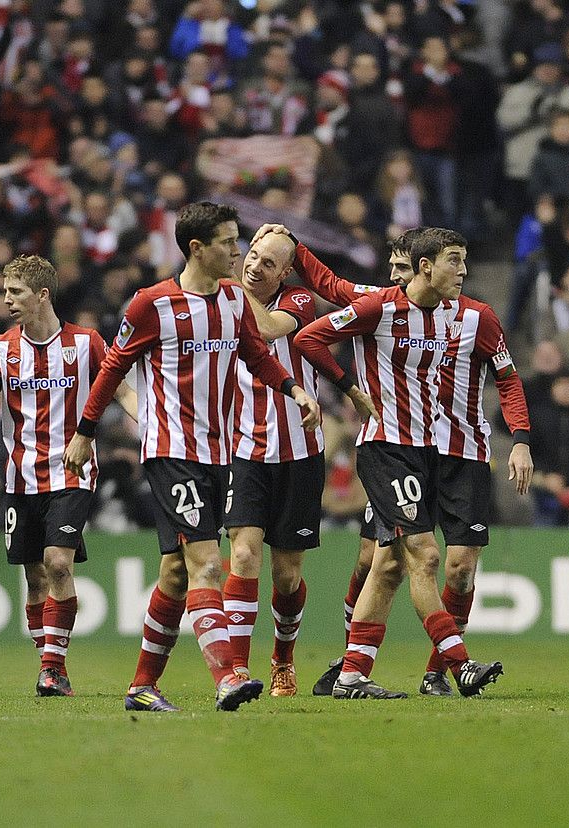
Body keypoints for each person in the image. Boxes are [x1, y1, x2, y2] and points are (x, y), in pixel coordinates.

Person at [63, 202, 321, 713]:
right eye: (228, 241)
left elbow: (254, 353)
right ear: (198, 249)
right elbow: (113, 369)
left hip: (221, 453)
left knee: (175, 574)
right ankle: (228, 676)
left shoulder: (232, 300)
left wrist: (293, 389)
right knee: (206, 563)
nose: (237, 251)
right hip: (171, 450)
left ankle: (142, 685)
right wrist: (85, 432)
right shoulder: (150, 304)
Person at [267, 224, 533, 696]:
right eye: (456, 260)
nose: (465, 271)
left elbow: (509, 380)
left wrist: (520, 439)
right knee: (407, 556)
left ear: (418, 267)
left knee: (422, 565)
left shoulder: (477, 317)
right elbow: (322, 307)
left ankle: (362, 671)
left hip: (459, 449)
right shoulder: (378, 305)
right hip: (393, 448)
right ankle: (455, 664)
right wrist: (350, 389)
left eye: (399, 266)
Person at [0, 255, 135, 698]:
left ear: (42, 295)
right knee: (35, 576)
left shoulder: (86, 343)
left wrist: (154, 426)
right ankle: (50, 666)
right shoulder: (1, 348)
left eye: (16, 292)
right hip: (19, 478)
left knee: (58, 563)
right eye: (5, 292)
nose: (7, 300)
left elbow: (121, 389)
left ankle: (52, 669)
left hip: (72, 472)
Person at [221, 230, 374, 698]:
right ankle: (237, 671)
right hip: (245, 451)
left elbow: (265, 330)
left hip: (300, 454)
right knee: (244, 553)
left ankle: (283, 659)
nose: (254, 267)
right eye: (251, 257)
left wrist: (228, 288)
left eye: (268, 263)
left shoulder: (300, 302)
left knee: (287, 575)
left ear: (285, 273)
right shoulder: (219, 298)